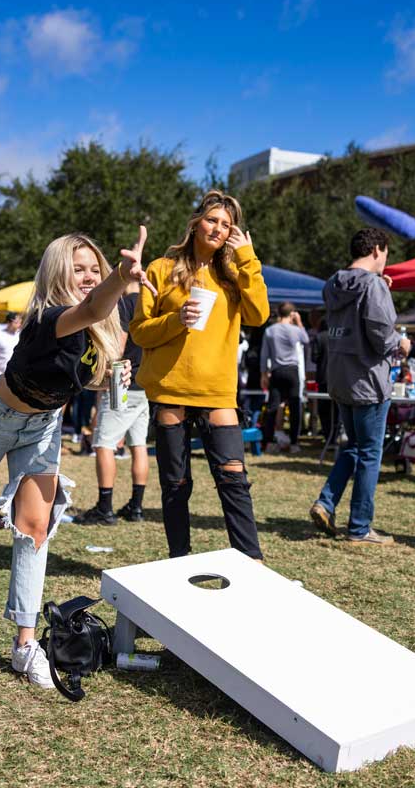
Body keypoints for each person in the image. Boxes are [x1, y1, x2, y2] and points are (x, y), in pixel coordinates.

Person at [0, 228, 147, 689]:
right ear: (58, 273)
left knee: (35, 527)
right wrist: (121, 276)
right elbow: (93, 307)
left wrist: (117, 370)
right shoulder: (49, 316)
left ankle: (24, 645)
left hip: (43, 425)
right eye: (77, 269)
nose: (87, 276)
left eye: (93, 269)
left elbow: (91, 366)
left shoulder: (105, 323)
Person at [131, 190, 270, 561]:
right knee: (175, 484)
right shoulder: (161, 269)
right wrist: (177, 320)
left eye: (227, 225)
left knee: (233, 477)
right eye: (212, 220)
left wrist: (248, 257)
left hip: (217, 391)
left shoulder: (235, 273)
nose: (219, 229)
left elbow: (259, 316)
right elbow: (140, 331)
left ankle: (251, 560)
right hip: (171, 388)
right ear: (196, 223)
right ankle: (180, 559)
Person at [308, 228, 409, 544]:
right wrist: (402, 342)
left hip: (340, 379)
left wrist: (381, 288)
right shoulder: (374, 286)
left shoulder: (333, 284)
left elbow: (356, 311)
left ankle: (326, 503)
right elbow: (381, 338)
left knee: (353, 446)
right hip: (368, 382)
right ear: (378, 250)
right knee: (369, 453)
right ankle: (360, 527)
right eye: (387, 254)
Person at [79, 283, 151, 525]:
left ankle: (104, 508)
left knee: (103, 444)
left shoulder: (126, 303)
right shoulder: (153, 304)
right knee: (138, 444)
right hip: (145, 383)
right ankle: (136, 507)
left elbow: (119, 347)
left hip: (123, 381)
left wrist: (104, 372)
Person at [260, 302, 310, 453]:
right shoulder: (295, 330)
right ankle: (294, 442)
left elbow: (264, 354)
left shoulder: (270, 331)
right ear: (292, 313)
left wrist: (263, 373)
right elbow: (306, 340)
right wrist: (299, 322)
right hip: (292, 370)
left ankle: (268, 442)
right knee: (295, 407)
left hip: (277, 370)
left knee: (273, 407)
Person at [0, 312, 22, 377]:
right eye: (16, 322)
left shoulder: (20, 335)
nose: (19, 325)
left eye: (20, 322)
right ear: (8, 323)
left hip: (17, 375)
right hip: (1, 375)